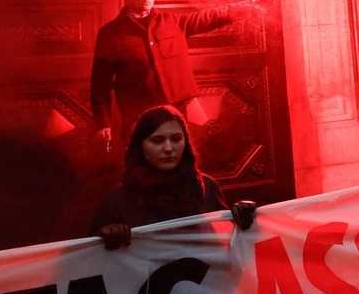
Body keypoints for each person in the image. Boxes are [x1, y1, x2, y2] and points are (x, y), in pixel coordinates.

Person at [90, 0, 265, 147]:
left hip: (175, 111)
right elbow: (100, 83)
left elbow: (211, 17)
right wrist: (103, 122)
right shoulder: (110, 34)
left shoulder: (172, 22)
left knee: (178, 161)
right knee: (143, 165)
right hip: (138, 115)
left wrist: (252, 5)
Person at [91, 105, 253, 249]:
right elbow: (90, 260)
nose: (168, 148)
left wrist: (244, 218)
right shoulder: (117, 201)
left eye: (176, 139)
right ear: (141, 147)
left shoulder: (206, 187)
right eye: (157, 141)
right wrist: (105, 235)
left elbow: (229, 242)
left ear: (186, 142)